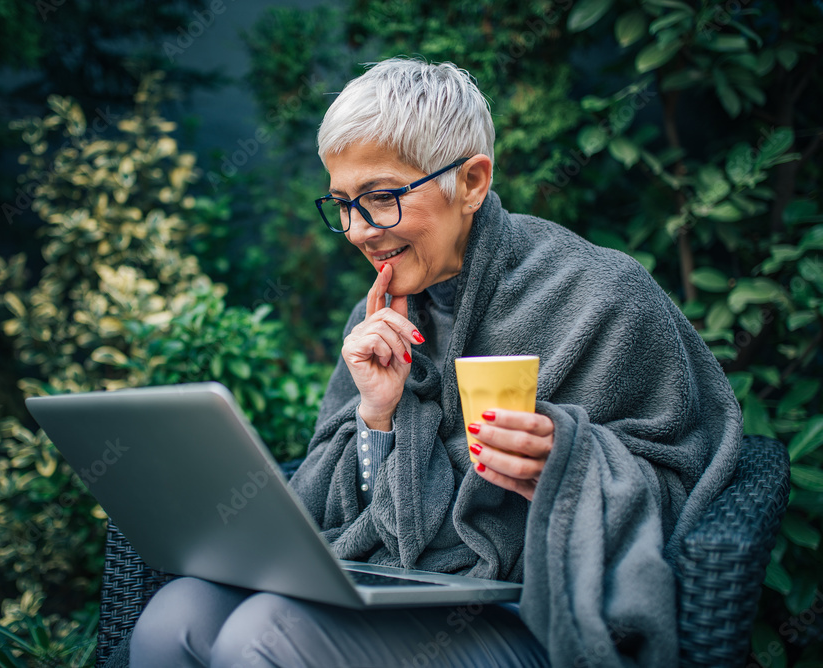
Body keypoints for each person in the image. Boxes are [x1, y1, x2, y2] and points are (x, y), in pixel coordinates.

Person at [128, 58, 741, 667]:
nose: (359, 231)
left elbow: (686, 483)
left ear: (471, 183)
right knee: (174, 616)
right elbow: (326, 509)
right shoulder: (376, 319)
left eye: (382, 197)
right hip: (401, 587)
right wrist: (378, 413)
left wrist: (566, 463)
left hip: (532, 611)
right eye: (342, 203)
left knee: (262, 631)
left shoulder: (603, 295)